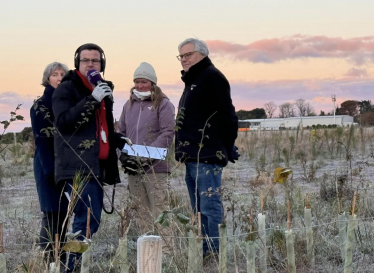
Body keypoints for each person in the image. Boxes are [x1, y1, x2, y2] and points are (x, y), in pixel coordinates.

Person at [52, 43, 123, 271]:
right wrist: (92, 99)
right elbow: (64, 123)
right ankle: (73, 267)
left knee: (91, 220)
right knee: (85, 221)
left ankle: (76, 264)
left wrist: (117, 140)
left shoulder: (103, 90)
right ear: (77, 63)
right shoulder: (66, 89)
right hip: (77, 166)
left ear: (102, 64)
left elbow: (101, 127)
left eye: (96, 60)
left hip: (97, 165)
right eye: (86, 60)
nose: (91, 64)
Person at [175, 38, 239, 256]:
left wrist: (227, 146)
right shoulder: (193, 80)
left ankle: (214, 253)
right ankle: (204, 251)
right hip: (192, 157)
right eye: (181, 56)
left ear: (202, 54)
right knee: (198, 209)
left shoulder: (212, 77)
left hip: (207, 156)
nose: (183, 59)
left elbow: (228, 116)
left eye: (188, 55)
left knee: (209, 209)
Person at [118, 62, 175, 251]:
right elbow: (122, 133)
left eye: (144, 82)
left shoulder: (163, 104)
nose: (140, 86)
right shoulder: (128, 105)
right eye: (137, 82)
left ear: (152, 82)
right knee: (140, 212)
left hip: (155, 168)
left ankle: (167, 254)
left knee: (160, 210)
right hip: (134, 170)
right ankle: (148, 253)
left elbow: (167, 133)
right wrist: (124, 156)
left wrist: (145, 156)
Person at [30, 62, 69, 259]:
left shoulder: (67, 103)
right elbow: (42, 141)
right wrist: (51, 172)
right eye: (55, 74)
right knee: (51, 213)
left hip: (67, 165)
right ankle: (49, 260)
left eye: (63, 74)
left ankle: (61, 258)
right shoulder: (40, 106)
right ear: (47, 78)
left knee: (64, 214)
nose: (59, 77)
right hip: (48, 166)